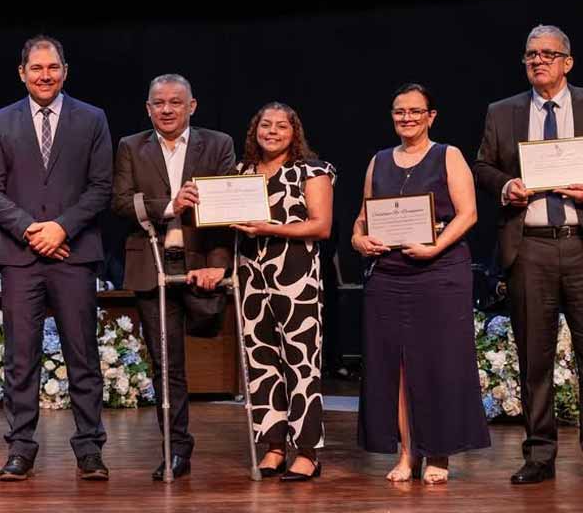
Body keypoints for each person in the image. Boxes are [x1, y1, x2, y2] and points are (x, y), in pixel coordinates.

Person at [0, 35, 112, 481]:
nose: (44, 75)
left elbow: (101, 188)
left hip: (74, 253)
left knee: (82, 353)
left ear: (65, 71)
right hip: (20, 256)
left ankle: (90, 448)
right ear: (22, 73)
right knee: (21, 356)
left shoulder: (92, 118)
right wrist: (31, 230)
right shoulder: (1, 121)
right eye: (36, 68)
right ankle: (20, 447)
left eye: (52, 67)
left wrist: (62, 227)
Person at [188, 102, 333, 481]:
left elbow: (321, 227)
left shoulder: (312, 170)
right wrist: (200, 198)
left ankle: (307, 452)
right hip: (251, 277)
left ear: (294, 131)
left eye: (281, 126)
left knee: (301, 363)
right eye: (265, 125)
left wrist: (270, 228)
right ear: (255, 131)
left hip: (297, 279)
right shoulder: (241, 173)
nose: (272, 131)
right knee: (261, 363)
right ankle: (273, 448)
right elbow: (221, 221)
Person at [353, 83, 489, 484]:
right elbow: (363, 217)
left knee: (440, 363)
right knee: (394, 367)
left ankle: (438, 455)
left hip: (440, 272)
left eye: (415, 111)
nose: (406, 118)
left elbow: (468, 215)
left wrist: (435, 248)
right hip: (389, 276)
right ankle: (408, 453)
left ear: (431, 116)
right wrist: (359, 239)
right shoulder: (378, 160)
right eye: (399, 112)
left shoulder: (448, 156)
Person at [111, 73, 235, 480]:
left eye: (175, 102)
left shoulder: (217, 144)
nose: (166, 109)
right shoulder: (131, 146)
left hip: (203, 266)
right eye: (158, 103)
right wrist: (170, 205)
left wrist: (219, 263)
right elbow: (121, 202)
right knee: (166, 365)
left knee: (208, 340)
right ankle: (176, 449)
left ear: (191, 106)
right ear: (148, 108)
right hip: (153, 267)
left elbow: (225, 210)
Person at [475, 24, 583, 485]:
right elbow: (482, 165)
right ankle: (539, 455)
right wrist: (506, 187)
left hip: (580, 244)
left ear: (567, 62)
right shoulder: (503, 112)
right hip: (531, 248)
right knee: (534, 357)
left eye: (547, 54)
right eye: (530, 54)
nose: (538, 60)